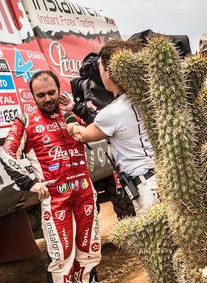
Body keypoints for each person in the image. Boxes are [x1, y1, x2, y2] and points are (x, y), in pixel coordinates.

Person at [1, 70, 104, 283]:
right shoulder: (25, 121)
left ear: (60, 90)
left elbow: (104, 124)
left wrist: (75, 108)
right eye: (41, 95)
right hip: (55, 200)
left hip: (84, 194)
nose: (47, 99)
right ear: (33, 96)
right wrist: (31, 184)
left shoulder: (72, 113)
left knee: (89, 250)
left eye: (51, 93)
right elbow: (6, 155)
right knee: (61, 257)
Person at [67, 41, 158, 216]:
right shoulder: (146, 98)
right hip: (163, 177)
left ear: (110, 71)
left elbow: (83, 134)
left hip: (145, 187)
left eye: (100, 67)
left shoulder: (112, 112)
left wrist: (72, 123)